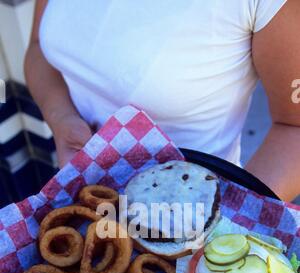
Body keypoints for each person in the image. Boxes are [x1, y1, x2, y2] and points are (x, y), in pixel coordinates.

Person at [25, 0, 300, 201]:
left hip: (198, 220)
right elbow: (38, 45)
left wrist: (230, 221)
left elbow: (295, 127)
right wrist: (61, 119)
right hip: (80, 191)